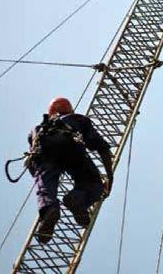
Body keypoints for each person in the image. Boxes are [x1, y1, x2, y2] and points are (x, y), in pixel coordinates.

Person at [27, 97, 114, 244]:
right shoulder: (76, 119)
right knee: (92, 183)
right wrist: (109, 177)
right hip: (70, 146)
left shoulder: (36, 129)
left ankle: (49, 210)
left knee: (45, 185)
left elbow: (33, 163)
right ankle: (78, 199)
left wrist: (39, 173)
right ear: (69, 109)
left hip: (45, 151)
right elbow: (101, 147)